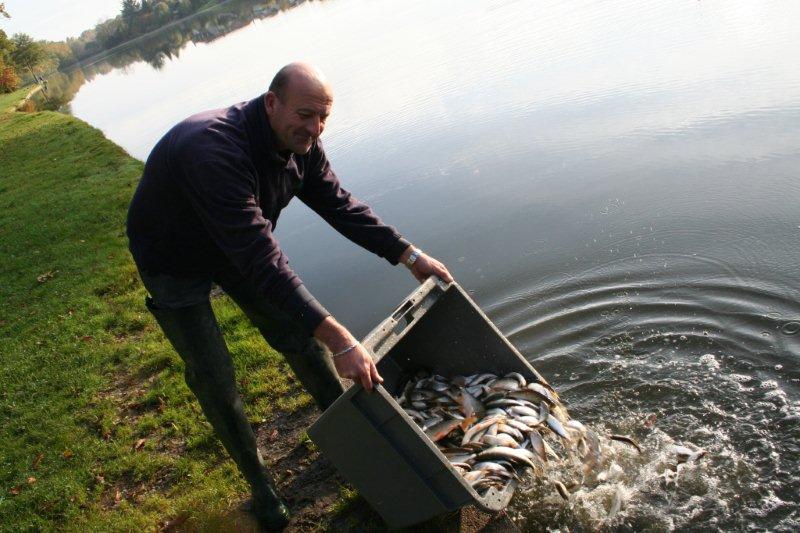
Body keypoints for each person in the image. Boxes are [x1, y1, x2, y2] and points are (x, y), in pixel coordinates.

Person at [126, 62, 453, 530]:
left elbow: (340, 205)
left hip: (235, 244)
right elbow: (261, 259)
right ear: (271, 102)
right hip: (172, 254)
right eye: (305, 115)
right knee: (215, 374)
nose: (315, 128)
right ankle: (261, 485)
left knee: (300, 336)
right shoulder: (213, 149)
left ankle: (352, 431)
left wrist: (409, 254)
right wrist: (343, 339)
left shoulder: (305, 145)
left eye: (323, 118)